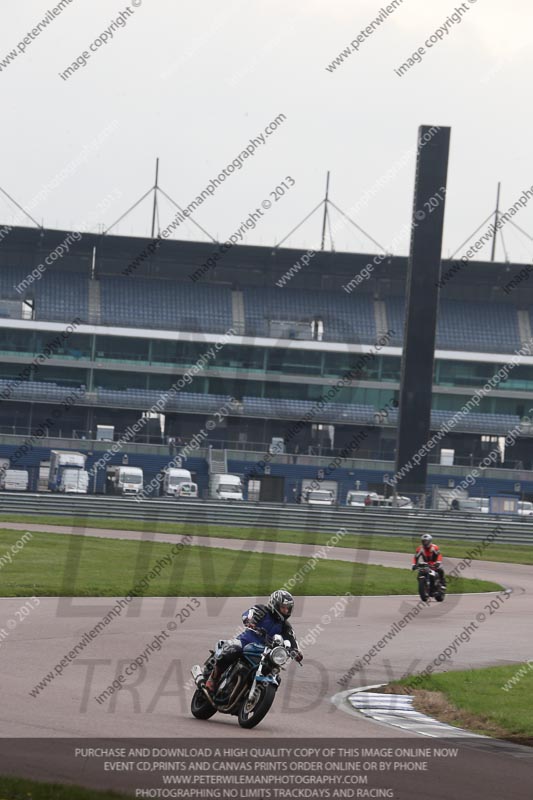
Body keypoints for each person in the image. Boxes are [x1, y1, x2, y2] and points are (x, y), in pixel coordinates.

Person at [205, 590, 303, 693]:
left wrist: (296, 652)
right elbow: (248, 614)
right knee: (232, 650)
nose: (286, 611)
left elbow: (293, 640)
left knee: (275, 675)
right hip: (245, 642)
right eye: (283, 607)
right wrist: (249, 620)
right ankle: (213, 678)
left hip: (264, 653)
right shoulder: (262, 610)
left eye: (288, 608)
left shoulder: (285, 626)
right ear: (275, 604)